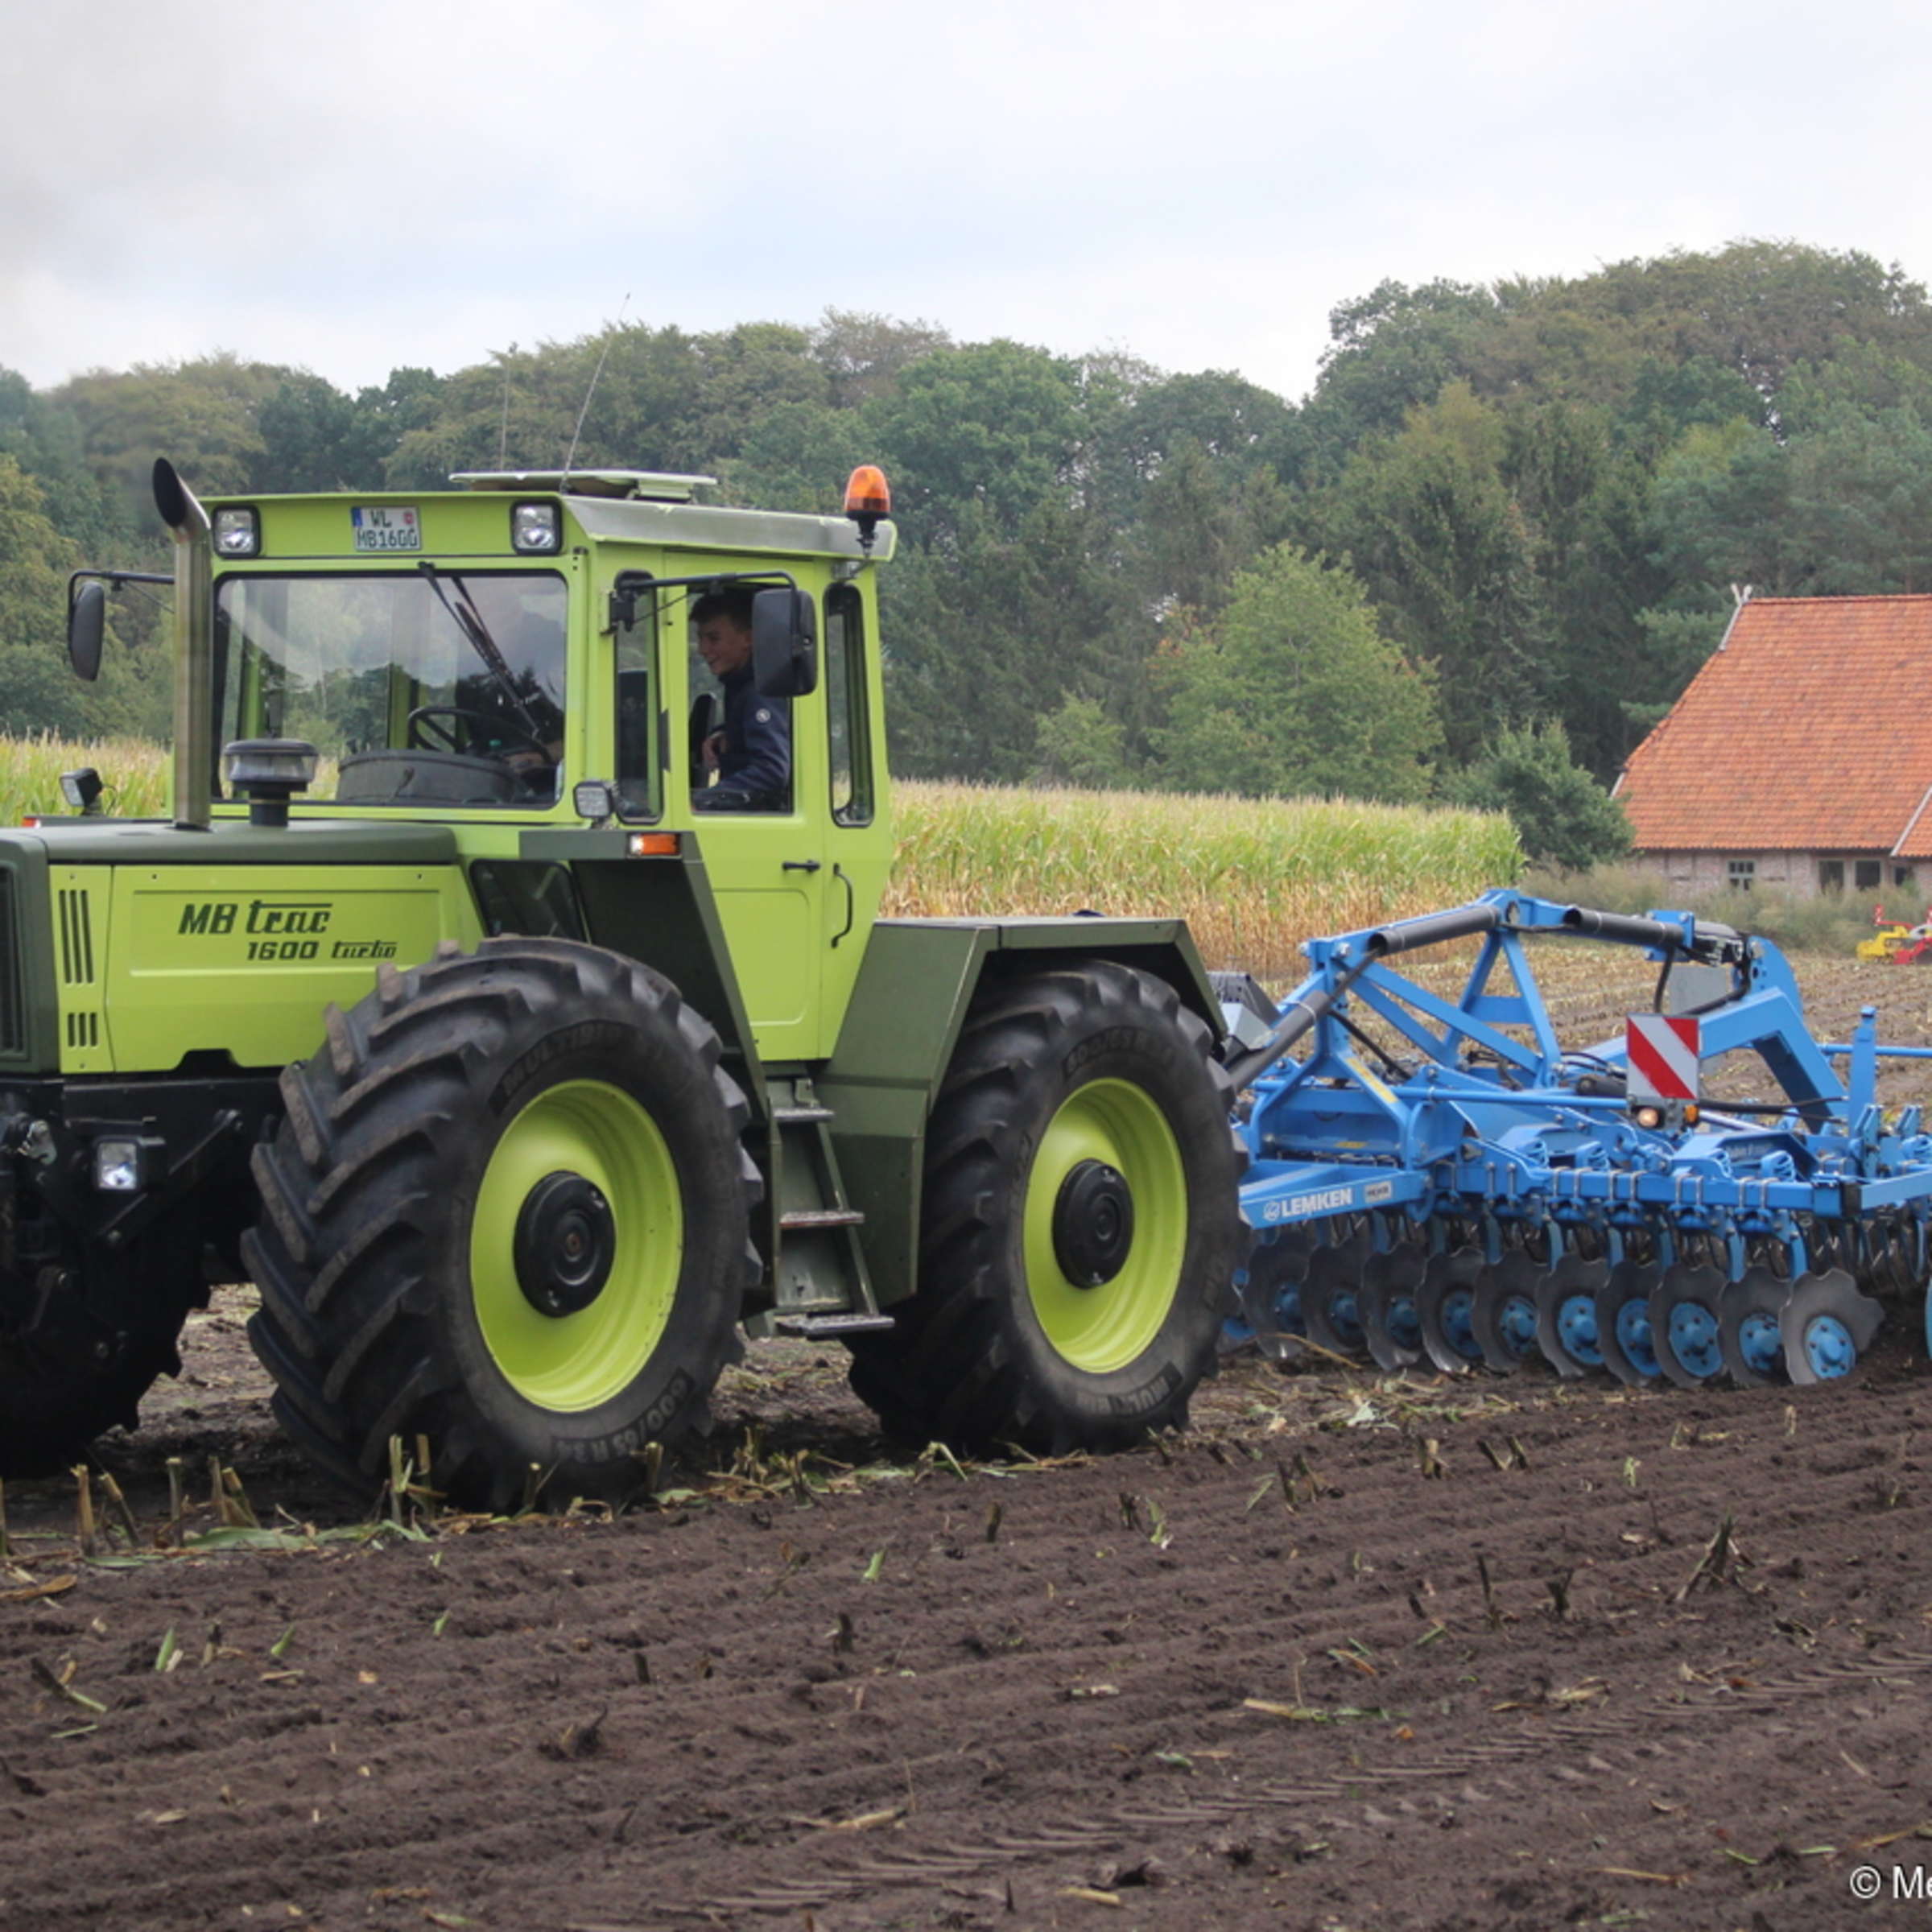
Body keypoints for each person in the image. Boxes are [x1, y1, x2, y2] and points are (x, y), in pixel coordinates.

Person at [691, 588, 790, 811]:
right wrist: (722, 734)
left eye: (713, 638)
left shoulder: (762, 692)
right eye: (700, 638)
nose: (703, 649)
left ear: (748, 639)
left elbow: (772, 771)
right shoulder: (740, 686)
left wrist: (701, 801)